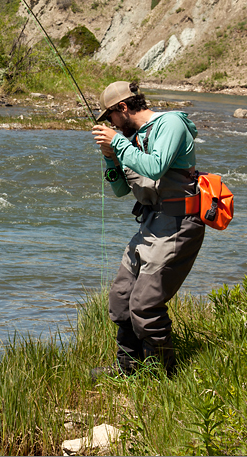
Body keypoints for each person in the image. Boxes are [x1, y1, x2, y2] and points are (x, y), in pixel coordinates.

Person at [90, 81, 205, 377]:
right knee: (121, 299)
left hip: (179, 224)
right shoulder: (130, 140)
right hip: (150, 223)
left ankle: (162, 374)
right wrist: (109, 158)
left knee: (145, 305)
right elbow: (119, 190)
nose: (111, 124)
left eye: (111, 118)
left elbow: (155, 167)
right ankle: (127, 368)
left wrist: (117, 143)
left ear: (123, 108)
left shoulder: (170, 125)